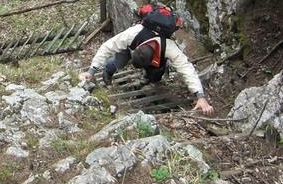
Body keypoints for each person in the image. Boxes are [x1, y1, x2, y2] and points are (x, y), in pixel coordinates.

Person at [79, 14, 214, 115]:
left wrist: (200, 96)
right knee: (117, 61)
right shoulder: (133, 33)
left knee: (157, 72)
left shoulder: (169, 47)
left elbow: (186, 68)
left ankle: (150, 78)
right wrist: (91, 70)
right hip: (131, 49)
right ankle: (108, 72)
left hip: (153, 58)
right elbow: (107, 47)